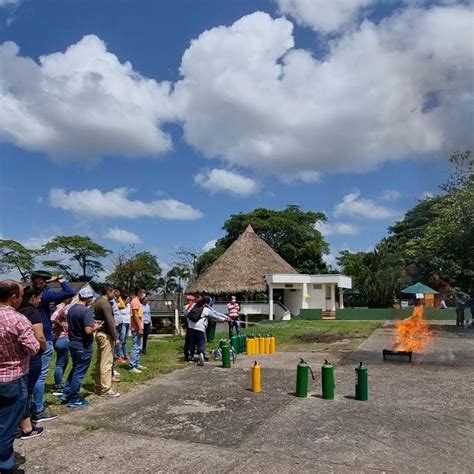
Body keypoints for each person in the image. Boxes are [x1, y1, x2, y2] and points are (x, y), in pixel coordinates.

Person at [0, 280, 40, 473]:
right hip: (12, 379)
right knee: (7, 429)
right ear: (13, 297)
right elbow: (33, 348)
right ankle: (6, 467)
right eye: (21, 295)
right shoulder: (18, 319)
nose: (22, 299)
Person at [30, 270, 75, 423]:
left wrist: (43, 282)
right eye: (44, 281)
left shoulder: (26, 294)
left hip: (29, 339)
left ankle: (28, 408)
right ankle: (38, 410)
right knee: (41, 376)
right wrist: (59, 279)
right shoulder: (45, 295)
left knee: (29, 375)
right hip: (44, 338)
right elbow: (70, 292)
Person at [63, 287, 101, 409]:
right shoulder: (85, 311)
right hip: (83, 345)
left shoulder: (71, 309)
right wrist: (97, 326)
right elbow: (88, 330)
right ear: (88, 299)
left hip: (73, 343)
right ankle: (74, 399)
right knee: (79, 373)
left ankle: (66, 393)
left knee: (75, 369)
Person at [18, 287, 47, 440]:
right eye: (39, 297)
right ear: (32, 298)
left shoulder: (17, 311)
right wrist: (43, 348)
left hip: (18, 356)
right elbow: (40, 337)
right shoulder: (32, 313)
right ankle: (26, 427)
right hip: (32, 355)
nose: (41, 300)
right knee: (26, 392)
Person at [93, 285, 120, 398]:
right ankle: (105, 389)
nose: (114, 295)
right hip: (106, 334)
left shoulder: (97, 302)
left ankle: (99, 386)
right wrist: (115, 337)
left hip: (99, 334)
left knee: (100, 361)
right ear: (108, 292)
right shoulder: (105, 304)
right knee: (106, 363)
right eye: (113, 292)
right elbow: (110, 322)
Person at [188, 297, 230, 366]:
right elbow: (215, 316)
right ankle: (201, 356)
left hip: (191, 327)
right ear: (206, 303)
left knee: (193, 342)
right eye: (209, 303)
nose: (210, 305)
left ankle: (191, 356)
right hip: (199, 327)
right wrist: (224, 320)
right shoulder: (206, 310)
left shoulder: (195, 307)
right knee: (201, 341)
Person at [50, 298, 72, 395]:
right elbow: (53, 318)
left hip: (60, 338)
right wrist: (60, 325)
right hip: (61, 338)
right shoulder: (61, 307)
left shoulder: (61, 307)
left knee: (64, 361)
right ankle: (57, 387)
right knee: (60, 364)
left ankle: (59, 383)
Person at [129, 288, 146, 374]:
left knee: (139, 347)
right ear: (138, 293)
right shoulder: (135, 301)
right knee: (135, 346)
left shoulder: (138, 302)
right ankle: (132, 366)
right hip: (136, 328)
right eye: (142, 292)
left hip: (139, 327)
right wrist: (139, 327)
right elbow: (135, 316)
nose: (143, 294)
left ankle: (137, 363)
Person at [115, 294, 130, 363]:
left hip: (128, 323)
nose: (128, 301)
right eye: (127, 299)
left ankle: (125, 355)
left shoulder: (129, 306)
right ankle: (118, 356)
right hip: (122, 324)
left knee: (125, 340)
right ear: (123, 300)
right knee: (121, 339)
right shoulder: (119, 305)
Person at [183, 295, 196, 361]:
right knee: (188, 340)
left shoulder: (195, 305)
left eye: (191, 300)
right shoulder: (186, 307)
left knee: (195, 340)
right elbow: (185, 314)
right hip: (189, 324)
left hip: (195, 324)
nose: (190, 301)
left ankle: (193, 353)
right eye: (188, 300)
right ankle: (186, 354)